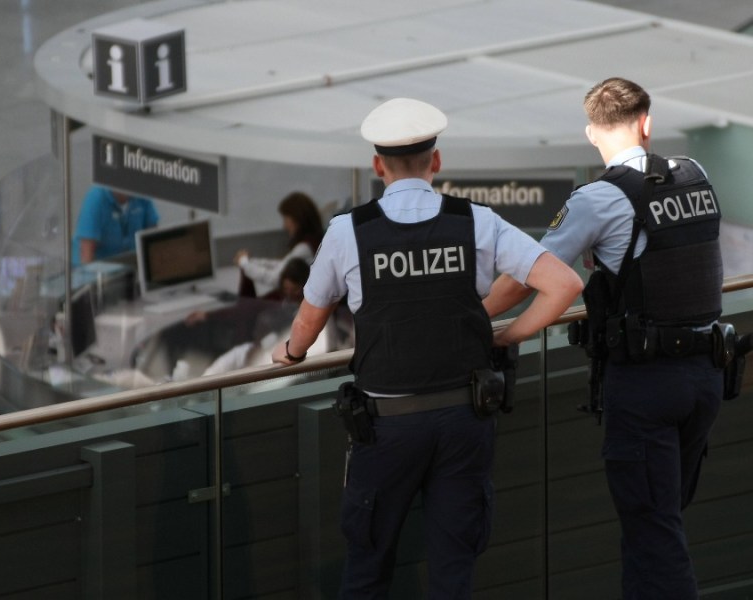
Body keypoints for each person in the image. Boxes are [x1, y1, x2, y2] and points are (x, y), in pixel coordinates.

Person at [271, 97, 583, 599]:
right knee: (453, 569)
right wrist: (506, 335)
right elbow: (564, 284)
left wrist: (289, 352)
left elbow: (309, 321)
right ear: (436, 161)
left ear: (378, 166)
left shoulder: (349, 231)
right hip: (465, 419)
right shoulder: (476, 221)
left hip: (386, 426)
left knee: (368, 567)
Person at [485, 77, 724, 600]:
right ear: (647, 124)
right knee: (657, 524)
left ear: (593, 134)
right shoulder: (695, 173)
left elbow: (531, 274)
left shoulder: (596, 198)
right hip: (706, 374)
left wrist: (479, 319)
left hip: (645, 386)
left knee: (653, 531)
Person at [234, 191, 324, 297]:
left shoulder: (304, 248)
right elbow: (282, 265)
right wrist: (251, 261)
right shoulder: (313, 241)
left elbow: (276, 278)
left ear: (297, 220)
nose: (284, 226)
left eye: (286, 219)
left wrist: (244, 263)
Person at [72, 185, 159, 265]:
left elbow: (153, 241)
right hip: (99, 269)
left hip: (128, 266)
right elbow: (86, 255)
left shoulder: (141, 196)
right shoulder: (96, 199)